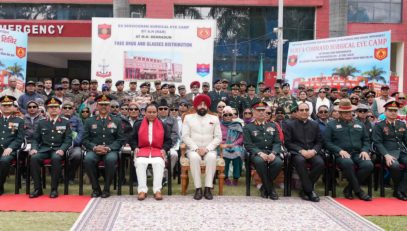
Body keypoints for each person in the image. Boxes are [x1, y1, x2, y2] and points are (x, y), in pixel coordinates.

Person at [324, 98, 373, 201]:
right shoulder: (331, 125)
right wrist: (339, 150)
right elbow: (327, 142)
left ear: (352, 111)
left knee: (368, 165)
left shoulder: (360, 124)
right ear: (340, 112)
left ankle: (349, 188)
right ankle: (359, 191)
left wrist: (364, 150)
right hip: (341, 154)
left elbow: (366, 140)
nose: (347, 114)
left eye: (349, 112)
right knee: (348, 163)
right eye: (344, 112)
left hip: (358, 153)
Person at [29, 97, 72, 198]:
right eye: (51, 107)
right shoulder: (41, 122)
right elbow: (35, 139)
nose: (53, 109)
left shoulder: (65, 122)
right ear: (47, 109)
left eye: (56, 107)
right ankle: (37, 189)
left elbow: (68, 140)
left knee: (56, 159)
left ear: (59, 109)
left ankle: (54, 189)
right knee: (34, 158)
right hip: (44, 149)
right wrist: (34, 148)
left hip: (57, 149)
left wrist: (62, 149)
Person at [83, 95, 124, 198]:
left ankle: (106, 189)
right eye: (101, 104)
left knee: (111, 160)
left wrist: (109, 148)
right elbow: (84, 139)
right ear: (97, 106)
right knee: (88, 159)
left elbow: (120, 139)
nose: (104, 107)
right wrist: (94, 147)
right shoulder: (89, 121)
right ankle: (96, 189)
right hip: (94, 150)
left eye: (106, 104)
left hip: (110, 150)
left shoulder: (117, 120)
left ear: (109, 106)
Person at [182, 94, 222, 200]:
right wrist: (196, 148)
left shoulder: (214, 118)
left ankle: (208, 188)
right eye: (200, 105)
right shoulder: (188, 118)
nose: (202, 107)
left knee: (212, 157)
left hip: (209, 149)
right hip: (193, 149)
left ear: (208, 106)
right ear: (196, 106)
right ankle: (198, 188)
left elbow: (218, 137)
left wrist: (207, 149)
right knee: (194, 158)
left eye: (204, 104)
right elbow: (185, 136)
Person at [129, 104, 172, 200]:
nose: (151, 114)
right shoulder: (138, 124)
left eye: (154, 112)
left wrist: (164, 149)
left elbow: (168, 140)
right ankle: (142, 191)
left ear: (157, 113)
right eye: (149, 112)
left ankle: (157, 190)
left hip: (157, 151)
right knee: (140, 163)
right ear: (145, 113)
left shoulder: (163, 125)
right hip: (142, 150)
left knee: (159, 163)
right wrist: (135, 147)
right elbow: (132, 138)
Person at [284, 103, 324, 202]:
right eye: (301, 110)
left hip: (312, 151)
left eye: (306, 110)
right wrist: (301, 151)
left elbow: (319, 142)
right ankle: (310, 191)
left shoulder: (315, 124)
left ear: (309, 111)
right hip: (297, 153)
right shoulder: (290, 125)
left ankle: (304, 189)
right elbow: (288, 143)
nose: (304, 112)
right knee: (300, 161)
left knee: (320, 163)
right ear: (297, 112)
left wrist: (314, 151)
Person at [243, 101, 283, 199]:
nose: (261, 112)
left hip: (271, 152)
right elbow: (248, 144)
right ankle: (271, 189)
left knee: (278, 163)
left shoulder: (272, 126)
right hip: (257, 154)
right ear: (253, 112)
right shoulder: (248, 127)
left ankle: (265, 188)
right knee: (260, 162)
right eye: (258, 110)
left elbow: (277, 142)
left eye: (263, 110)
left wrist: (274, 153)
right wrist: (260, 153)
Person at [372, 101, 407, 201]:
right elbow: (377, 142)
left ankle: (400, 189)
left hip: (401, 152)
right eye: (390, 110)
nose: (393, 113)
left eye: (395, 111)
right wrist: (386, 155)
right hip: (387, 152)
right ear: (385, 112)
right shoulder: (379, 125)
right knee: (395, 165)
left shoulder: (402, 124)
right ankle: (398, 189)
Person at [0, 96, 24, 195]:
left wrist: (10, 147)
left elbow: (20, 138)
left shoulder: (19, 120)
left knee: (4, 160)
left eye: (8, 105)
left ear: (12, 107)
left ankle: (0, 185)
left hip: (10, 149)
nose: (6, 107)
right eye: (4, 105)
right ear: (0, 107)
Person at [157, 99, 179, 185]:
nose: (163, 110)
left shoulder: (173, 120)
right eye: (161, 109)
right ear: (158, 110)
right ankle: (160, 177)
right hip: (156, 146)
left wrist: (167, 146)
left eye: (165, 109)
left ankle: (166, 175)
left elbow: (175, 134)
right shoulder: (154, 119)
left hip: (169, 145)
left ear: (168, 110)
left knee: (174, 155)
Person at [61, 101, 84, 184]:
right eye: (65, 108)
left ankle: (70, 176)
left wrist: (73, 143)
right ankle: (59, 176)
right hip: (59, 145)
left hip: (74, 145)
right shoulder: (58, 119)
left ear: (73, 109)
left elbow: (80, 134)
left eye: (69, 108)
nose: (67, 109)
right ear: (61, 109)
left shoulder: (78, 120)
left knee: (78, 155)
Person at [220, 106, 244, 186]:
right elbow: (216, 137)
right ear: (222, 115)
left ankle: (235, 178)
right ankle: (225, 177)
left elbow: (241, 138)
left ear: (232, 115)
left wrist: (233, 144)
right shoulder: (219, 125)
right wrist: (224, 144)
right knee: (224, 155)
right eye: (225, 115)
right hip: (223, 145)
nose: (228, 116)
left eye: (230, 114)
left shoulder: (237, 125)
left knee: (237, 154)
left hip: (235, 145)